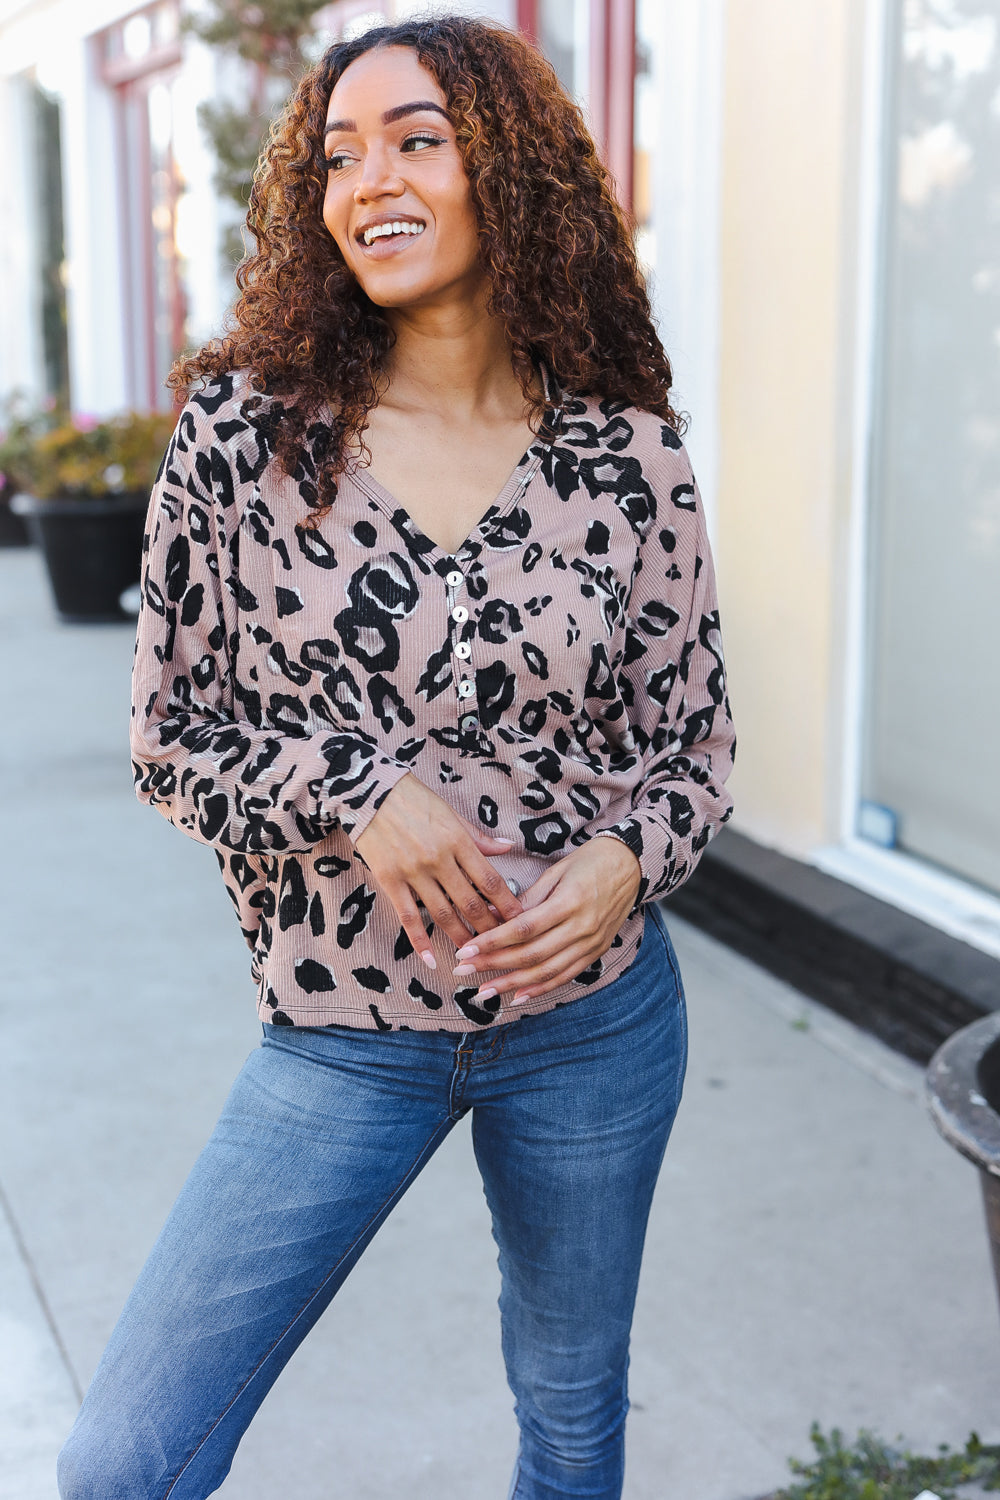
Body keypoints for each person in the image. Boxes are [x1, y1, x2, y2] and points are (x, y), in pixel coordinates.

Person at [57, 15, 735, 1500]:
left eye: (417, 140)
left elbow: (690, 743)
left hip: (591, 1020)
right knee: (123, 1463)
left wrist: (625, 862)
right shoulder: (245, 437)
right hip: (343, 1028)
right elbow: (169, 738)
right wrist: (358, 793)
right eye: (340, 155)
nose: (370, 180)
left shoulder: (628, 454)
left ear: (510, 172)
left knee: (572, 1425)